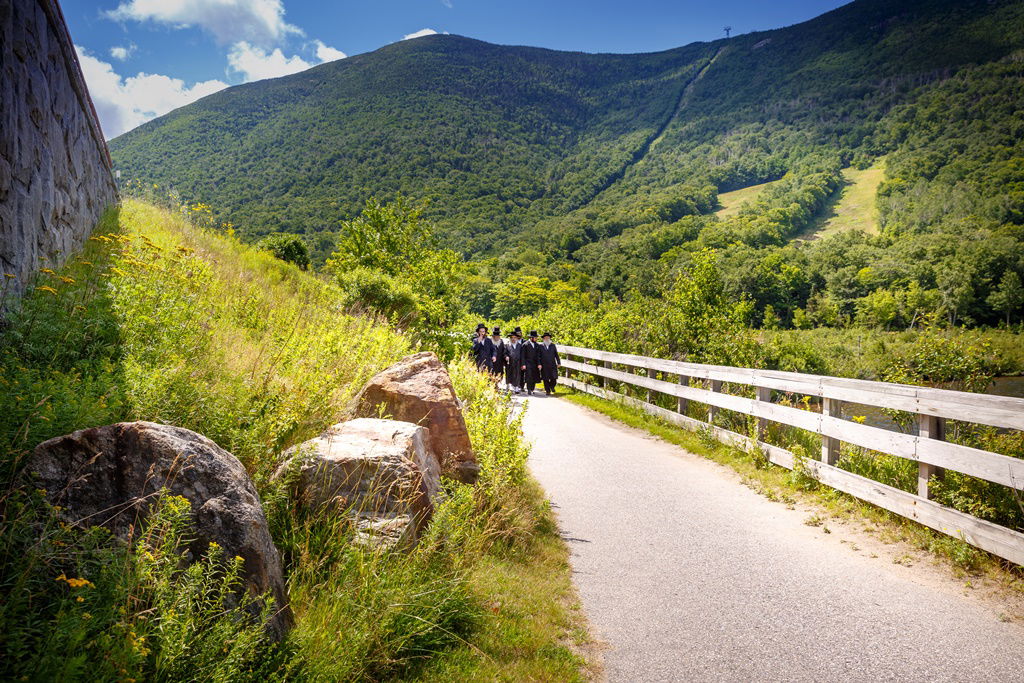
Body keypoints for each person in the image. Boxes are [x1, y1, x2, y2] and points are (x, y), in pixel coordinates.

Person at [521, 330, 541, 395]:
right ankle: (529, 389)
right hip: (528, 362)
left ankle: (532, 389)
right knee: (528, 376)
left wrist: (539, 364)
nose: (536, 339)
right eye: (535, 338)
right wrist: (523, 364)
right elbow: (523, 355)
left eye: (536, 338)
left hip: (535, 363)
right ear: (531, 338)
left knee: (534, 376)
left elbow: (538, 356)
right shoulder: (525, 345)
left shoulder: (537, 345)